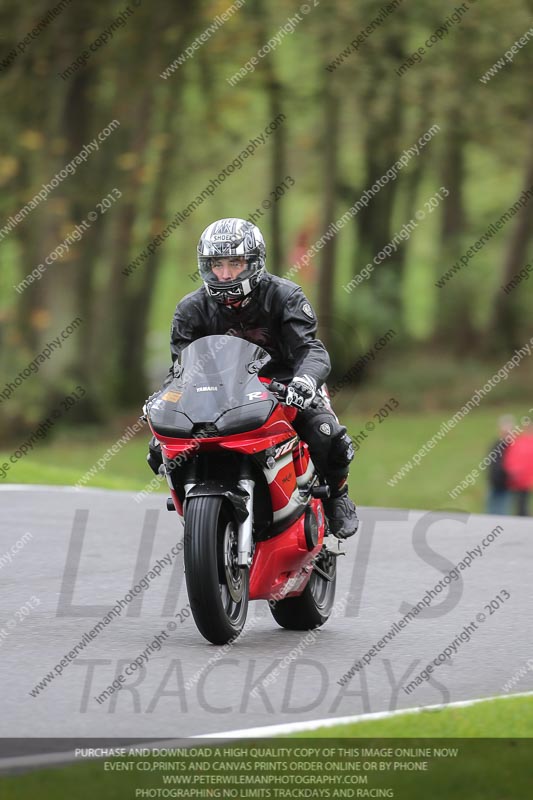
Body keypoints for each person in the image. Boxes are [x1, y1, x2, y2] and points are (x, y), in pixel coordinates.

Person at [147, 217, 358, 539]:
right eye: (217, 264)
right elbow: (181, 368)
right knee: (158, 446)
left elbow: (311, 350)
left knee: (325, 431)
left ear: (255, 262)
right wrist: (163, 399)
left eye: (235, 262)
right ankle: (194, 502)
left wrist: (303, 383)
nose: (226, 273)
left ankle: (337, 498)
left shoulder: (285, 296)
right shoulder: (190, 309)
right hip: (219, 396)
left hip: (285, 387)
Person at [485, 415, 515, 515]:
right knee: (492, 510)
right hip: (494, 482)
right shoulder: (496, 444)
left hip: (505, 484)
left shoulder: (511, 446)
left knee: (501, 511)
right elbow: (491, 464)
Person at [504, 420, 533, 516]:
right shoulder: (519, 442)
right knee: (519, 503)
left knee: (522, 503)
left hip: (527, 479)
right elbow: (512, 458)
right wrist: (512, 471)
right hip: (519, 479)